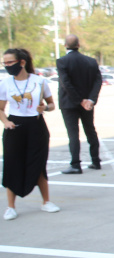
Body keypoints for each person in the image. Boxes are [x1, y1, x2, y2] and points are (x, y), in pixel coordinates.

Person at [1, 48, 60, 220]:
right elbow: (0, 108)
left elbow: (51, 104)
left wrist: (45, 108)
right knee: (12, 164)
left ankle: (46, 202)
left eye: (10, 62)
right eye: (4, 63)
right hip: (14, 127)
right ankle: (10, 207)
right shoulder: (5, 83)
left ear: (22, 62)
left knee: (38, 163)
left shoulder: (40, 81)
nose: (7, 66)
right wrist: (5, 122)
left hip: (36, 126)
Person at [56, 35, 102, 174]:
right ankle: (95, 161)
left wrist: (79, 100)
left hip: (69, 103)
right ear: (79, 45)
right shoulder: (90, 61)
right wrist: (90, 100)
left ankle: (76, 164)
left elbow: (66, 84)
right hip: (87, 103)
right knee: (90, 131)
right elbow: (98, 81)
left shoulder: (62, 61)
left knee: (73, 134)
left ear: (65, 45)